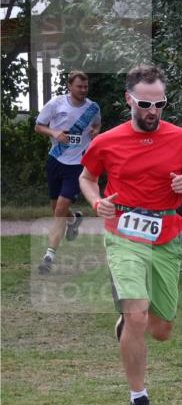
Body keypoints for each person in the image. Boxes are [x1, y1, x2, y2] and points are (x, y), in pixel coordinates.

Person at [79, 65, 182, 405]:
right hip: (123, 231)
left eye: (160, 104)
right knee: (136, 315)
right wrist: (95, 202)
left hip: (166, 234)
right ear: (129, 100)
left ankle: (128, 324)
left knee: (161, 330)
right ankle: (139, 398)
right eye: (145, 104)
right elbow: (88, 178)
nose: (153, 111)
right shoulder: (106, 142)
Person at [34, 71, 101, 273]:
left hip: (78, 164)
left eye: (86, 87)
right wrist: (54, 132)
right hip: (56, 160)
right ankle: (74, 220)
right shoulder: (56, 104)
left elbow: (97, 124)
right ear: (69, 86)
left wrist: (96, 131)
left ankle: (48, 256)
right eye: (79, 86)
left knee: (60, 209)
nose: (83, 90)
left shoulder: (93, 108)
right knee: (56, 208)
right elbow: (38, 126)